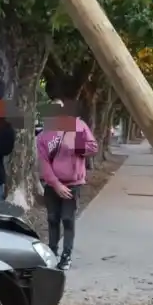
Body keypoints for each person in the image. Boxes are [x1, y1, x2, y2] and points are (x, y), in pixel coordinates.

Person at [36, 114, 98, 271]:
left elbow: (93, 147)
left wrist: (75, 146)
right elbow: (44, 162)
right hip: (52, 184)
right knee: (52, 218)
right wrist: (56, 184)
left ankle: (66, 255)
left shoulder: (78, 125)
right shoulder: (45, 134)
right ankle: (52, 251)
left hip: (73, 183)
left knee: (68, 219)